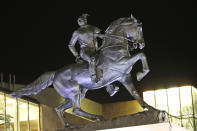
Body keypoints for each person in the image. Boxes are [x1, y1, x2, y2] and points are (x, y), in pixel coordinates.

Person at [68, 13, 119, 96]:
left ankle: (109, 86)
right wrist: (76, 56)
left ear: (85, 20)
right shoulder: (77, 32)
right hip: (85, 51)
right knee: (92, 59)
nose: (80, 21)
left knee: (106, 59)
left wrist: (106, 35)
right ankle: (94, 78)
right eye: (79, 20)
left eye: (82, 20)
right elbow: (70, 45)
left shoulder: (92, 28)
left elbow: (102, 33)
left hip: (96, 50)